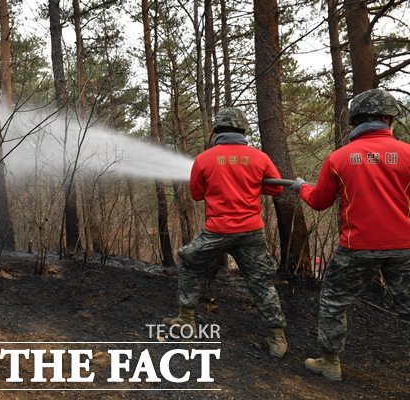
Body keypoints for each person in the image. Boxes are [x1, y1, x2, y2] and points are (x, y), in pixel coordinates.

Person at [291, 88, 410, 381]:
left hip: (356, 248)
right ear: (387, 119)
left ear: (355, 121)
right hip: (404, 246)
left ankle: (330, 363)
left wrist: (300, 187)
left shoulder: (339, 158)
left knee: (333, 302)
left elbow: (318, 202)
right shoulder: (408, 154)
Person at [163, 107, 288, 358]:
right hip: (252, 233)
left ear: (217, 130)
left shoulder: (205, 159)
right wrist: (251, 185)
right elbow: (277, 190)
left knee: (188, 259)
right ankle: (277, 337)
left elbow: (197, 194)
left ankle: (186, 319)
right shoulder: (260, 158)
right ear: (243, 130)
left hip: (216, 232)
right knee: (261, 282)